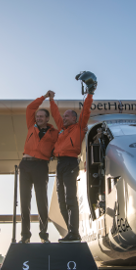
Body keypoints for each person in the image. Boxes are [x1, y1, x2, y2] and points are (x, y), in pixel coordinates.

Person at [49, 75, 95, 243]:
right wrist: (52, 100)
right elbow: (55, 115)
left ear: (75, 118)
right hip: (60, 165)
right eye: (65, 116)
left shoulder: (79, 127)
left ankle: (74, 233)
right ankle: (70, 232)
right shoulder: (62, 129)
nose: (64, 118)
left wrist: (89, 93)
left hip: (70, 163)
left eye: (67, 116)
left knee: (69, 198)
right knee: (61, 201)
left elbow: (86, 110)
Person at [19, 91, 58, 244]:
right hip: (25, 165)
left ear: (47, 119)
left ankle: (43, 235)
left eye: (42, 116)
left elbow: (62, 145)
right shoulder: (31, 126)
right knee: (24, 202)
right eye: (37, 116)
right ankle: (25, 236)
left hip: (41, 166)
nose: (38, 118)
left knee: (41, 201)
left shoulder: (54, 133)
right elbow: (30, 108)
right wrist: (44, 98)